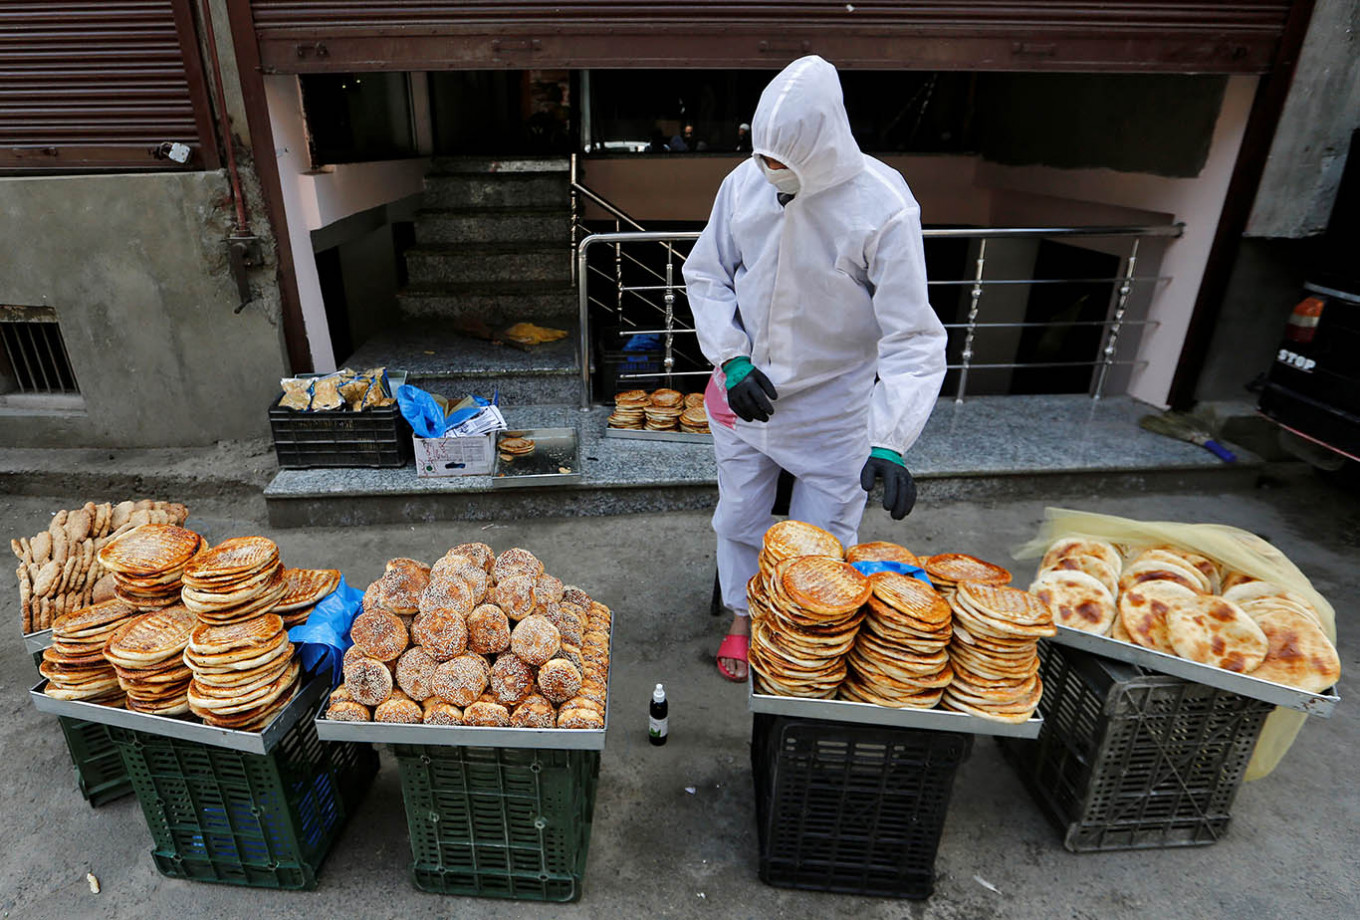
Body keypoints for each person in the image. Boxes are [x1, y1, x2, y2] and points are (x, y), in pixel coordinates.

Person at [683, 56, 947, 681]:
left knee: (821, 534)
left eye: (783, 163)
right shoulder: (744, 185)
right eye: (763, 156)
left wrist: (891, 440)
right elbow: (707, 274)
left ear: (824, 148)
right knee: (741, 512)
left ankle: (797, 631)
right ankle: (743, 619)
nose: (770, 173)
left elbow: (913, 337)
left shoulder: (882, 208)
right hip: (746, 394)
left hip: (834, 407)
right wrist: (733, 357)